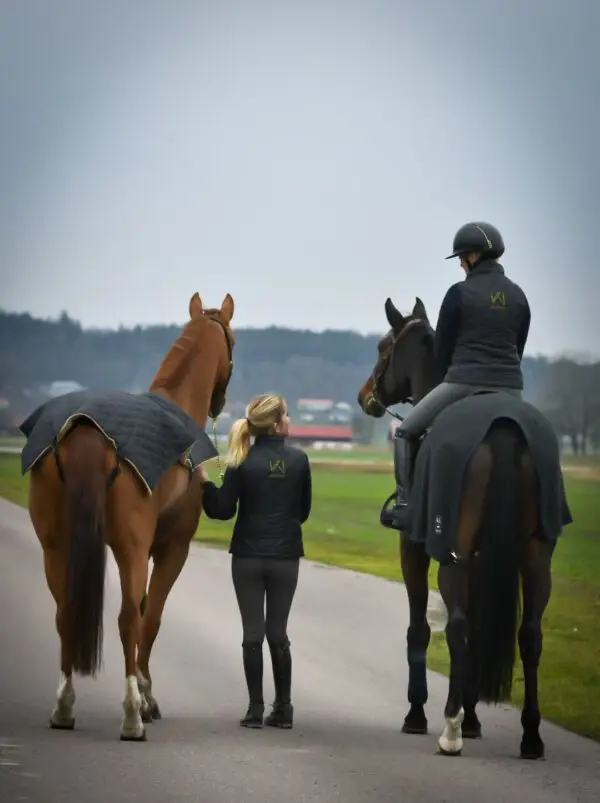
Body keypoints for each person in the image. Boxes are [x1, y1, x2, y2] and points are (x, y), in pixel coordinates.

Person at [392, 221, 531, 529]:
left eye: (460, 259)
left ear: (472, 256)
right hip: (511, 390)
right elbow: (518, 349)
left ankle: (404, 504)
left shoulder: (459, 293)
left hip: (463, 383)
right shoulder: (519, 296)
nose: (460, 265)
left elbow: (442, 351)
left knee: (404, 433)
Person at [198, 393, 312, 730]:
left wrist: (204, 483)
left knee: (252, 635)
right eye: (287, 415)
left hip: (247, 556)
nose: (289, 420)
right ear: (276, 423)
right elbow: (302, 513)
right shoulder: (300, 461)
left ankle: (254, 709)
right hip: (285, 557)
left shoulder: (239, 461)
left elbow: (221, 510)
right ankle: (284, 708)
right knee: (278, 633)